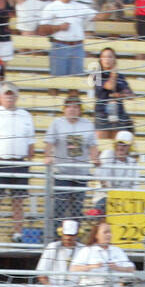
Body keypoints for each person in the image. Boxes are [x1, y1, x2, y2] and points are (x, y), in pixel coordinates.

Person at [0, 82, 37, 243]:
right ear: (0, 96)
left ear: (16, 96)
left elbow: (31, 141)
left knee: (18, 201)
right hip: (0, 161)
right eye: (6, 94)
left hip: (19, 162)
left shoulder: (25, 115)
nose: (9, 97)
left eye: (11, 94)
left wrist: (28, 160)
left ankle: (18, 233)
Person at [44, 93, 99, 222]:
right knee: (59, 207)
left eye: (75, 107)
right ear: (64, 109)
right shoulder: (57, 123)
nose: (72, 109)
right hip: (62, 173)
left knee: (77, 208)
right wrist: (48, 156)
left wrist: (95, 158)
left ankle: (74, 237)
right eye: (69, 106)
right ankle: (56, 236)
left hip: (81, 173)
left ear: (80, 110)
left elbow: (92, 145)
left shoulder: (87, 124)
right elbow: (49, 143)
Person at [71, 218, 135, 287]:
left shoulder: (117, 251)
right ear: (97, 235)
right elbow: (74, 268)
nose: (109, 235)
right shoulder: (87, 250)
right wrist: (91, 267)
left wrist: (118, 268)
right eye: (105, 232)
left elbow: (132, 268)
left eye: (110, 232)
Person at [36, 0, 96, 75]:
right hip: (59, 46)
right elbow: (41, 30)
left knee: (76, 81)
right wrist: (58, 27)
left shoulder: (80, 6)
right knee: (56, 80)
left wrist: (110, 9)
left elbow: (98, 16)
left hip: (78, 47)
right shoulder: (51, 7)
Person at [91, 46, 134, 139]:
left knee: (118, 142)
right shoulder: (97, 75)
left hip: (118, 114)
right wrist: (114, 74)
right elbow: (110, 85)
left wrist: (120, 95)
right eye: (104, 57)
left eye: (110, 57)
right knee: (101, 144)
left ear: (114, 59)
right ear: (100, 60)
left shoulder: (121, 77)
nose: (107, 59)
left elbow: (130, 94)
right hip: (102, 114)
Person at [95, 130, 141, 211]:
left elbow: (135, 186)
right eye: (119, 144)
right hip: (106, 196)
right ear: (115, 145)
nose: (121, 147)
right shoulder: (107, 154)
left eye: (124, 145)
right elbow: (101, 179)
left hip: (125, 198)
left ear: (129, 147)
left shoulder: (133, 162)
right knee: (104, 203)